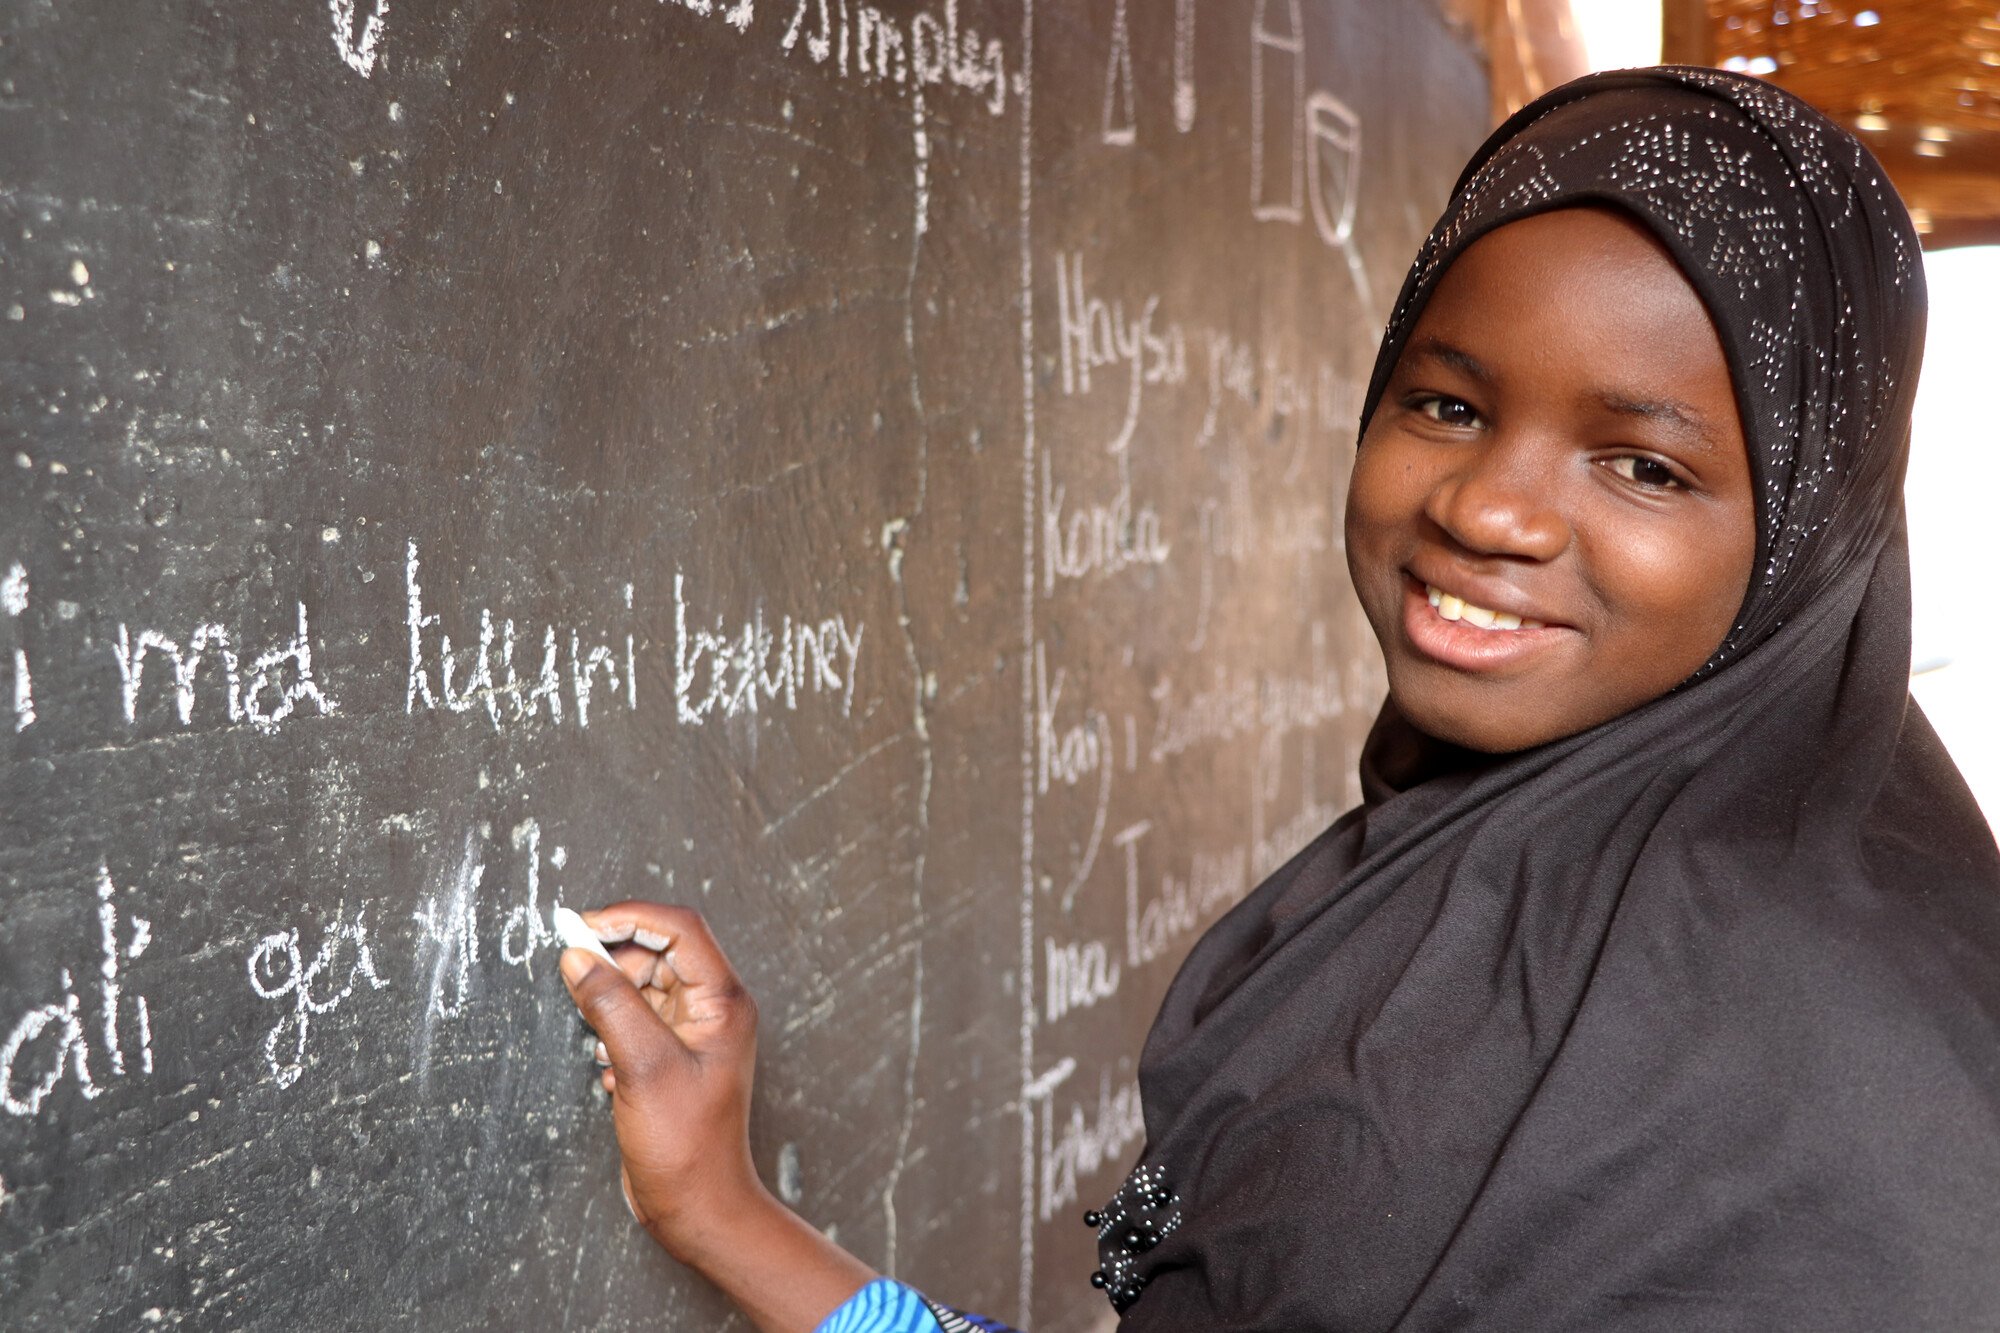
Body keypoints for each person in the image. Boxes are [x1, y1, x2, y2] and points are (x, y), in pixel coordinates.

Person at [559, 66, 2000, 1331]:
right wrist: (725, 1212)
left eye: (1643, 464)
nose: (1491, 508)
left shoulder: (1839, 1095)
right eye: (1448, 403)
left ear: (1810, 535)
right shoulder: (1457, 892)